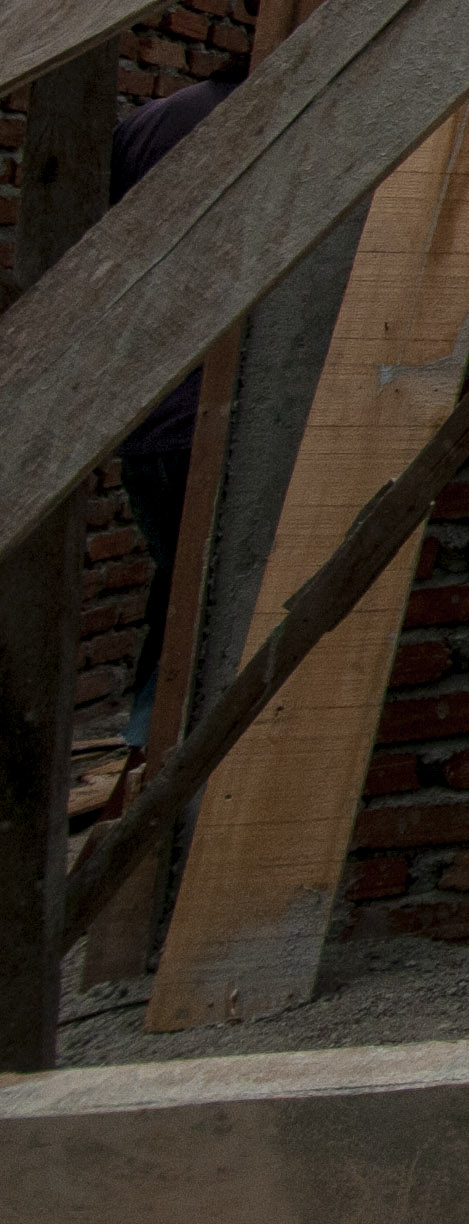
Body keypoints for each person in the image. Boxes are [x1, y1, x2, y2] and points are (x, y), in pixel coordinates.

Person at [110, 71, 235, 748]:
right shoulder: (276, 117)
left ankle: (145, 741)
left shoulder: (149, 124)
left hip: (148, 416)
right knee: (218, 604)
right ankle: (173, 763)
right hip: (222, 414)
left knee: (181, 588)